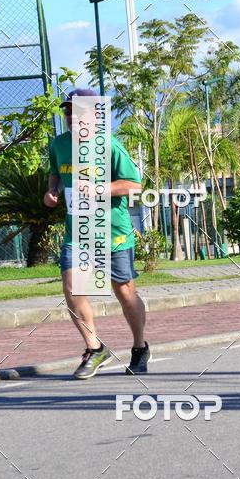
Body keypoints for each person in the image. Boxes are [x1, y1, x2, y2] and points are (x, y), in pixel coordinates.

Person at [44, 88, 150, 379]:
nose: (71, 116)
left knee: (124, 292)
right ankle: (94, 348)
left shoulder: (110, 145)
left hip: (113, 233)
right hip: (78, 233)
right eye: (68, 111)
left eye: (77, 111)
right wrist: (52, 191)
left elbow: (134, 184)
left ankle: (140, 347)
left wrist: (98, 189)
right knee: (73, 287)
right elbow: (55, 173)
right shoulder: (59, 145)